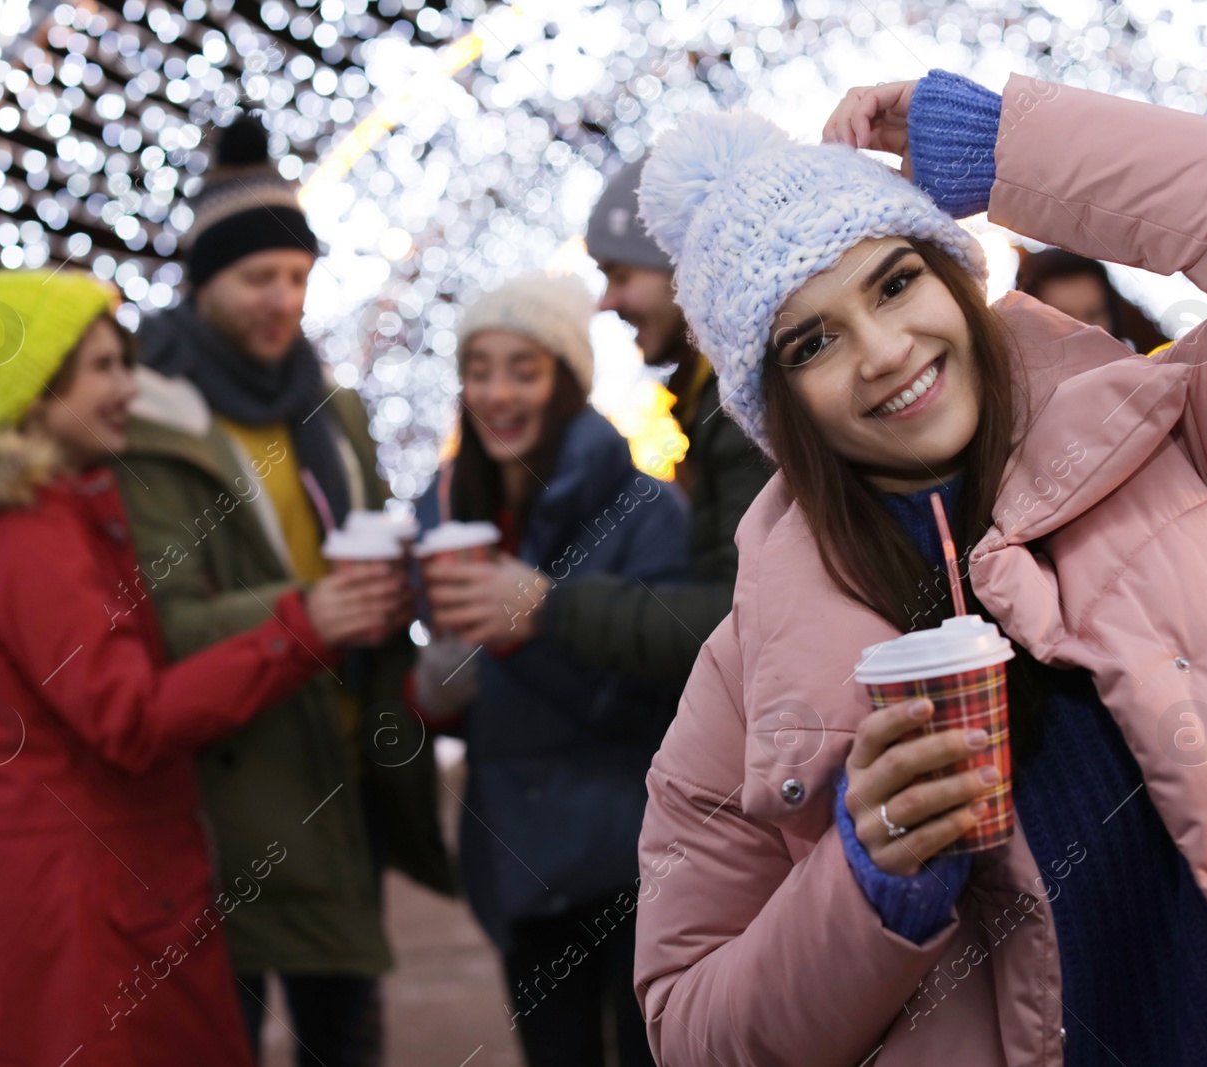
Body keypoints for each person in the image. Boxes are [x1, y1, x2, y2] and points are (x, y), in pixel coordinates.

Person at [631, 69, 1207, 1064]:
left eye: (896, 281)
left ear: (956, 278)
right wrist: (868, 884)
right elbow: (691, 1028)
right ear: (777, 404)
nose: (883, 350)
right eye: (813, 340)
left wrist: (1003, 148)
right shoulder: (747, 677)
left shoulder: (1157, 454)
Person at [0, 270, 341, 1066]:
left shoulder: (42, 513)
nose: (130, 385)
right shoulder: (28, 534)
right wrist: (301, 627)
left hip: (71, 901)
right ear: (40, 394)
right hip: (92, 916)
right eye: (103, 368)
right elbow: (129, 717)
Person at [111, 116, 452, 1067]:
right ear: (204, 280)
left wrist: (410, 580)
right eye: (258, 277)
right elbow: (165, 621)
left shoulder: (328, 407)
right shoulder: (154, 426)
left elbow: (376, 535)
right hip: (229, 797)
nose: (283, 299)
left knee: (345, 1037)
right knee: (221, 1036)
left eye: (297, 277)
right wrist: (312, 612)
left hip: (343, 775)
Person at [409, 272, 688, 1066]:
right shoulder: (445, 512)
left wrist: (531, 628)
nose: (496, 393)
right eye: (479, 368)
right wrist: (434, 689)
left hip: (637, 861)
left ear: (565, 380)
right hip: (517, 860)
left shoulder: (643, 509)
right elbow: (454, 696)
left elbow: (668, 697)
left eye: (523, 369)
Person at [499, 162, 771, 681]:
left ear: (684, 266)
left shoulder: (745, 405)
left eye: (620, 275)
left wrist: (551, 607)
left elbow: (745, 624)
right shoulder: (707, 400)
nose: (606, 302)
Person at [1015, 247, 1168, 353]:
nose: (1084, 330)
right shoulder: (1006, 398)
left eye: (1093, 315)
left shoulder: (1149, 391)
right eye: (1063, 319)